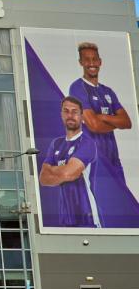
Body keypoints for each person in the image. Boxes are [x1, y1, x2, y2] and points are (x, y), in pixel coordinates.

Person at [68, 42, 131, 183]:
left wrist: (103, 117)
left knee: (123, 204)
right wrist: (115, 121)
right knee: (104, 203)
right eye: (87, 59)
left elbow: (127, 122)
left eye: (94, 59)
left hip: (114, 160)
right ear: (81, 62)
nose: (91, 63)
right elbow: (94, 126)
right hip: (96, 162)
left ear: (100, 62)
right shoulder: (77, 87)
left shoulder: (108, 91)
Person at [39, 96, 102, 227]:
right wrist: (64, 171)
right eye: (66, 111)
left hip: (87, 216)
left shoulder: (87, 143)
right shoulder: (56, 144)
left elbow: (68, 174)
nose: (70, 115)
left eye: (75, 112)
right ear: (61, 114)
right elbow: (43, 178)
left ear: (82, 116)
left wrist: (54, 171)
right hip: (66, 218)